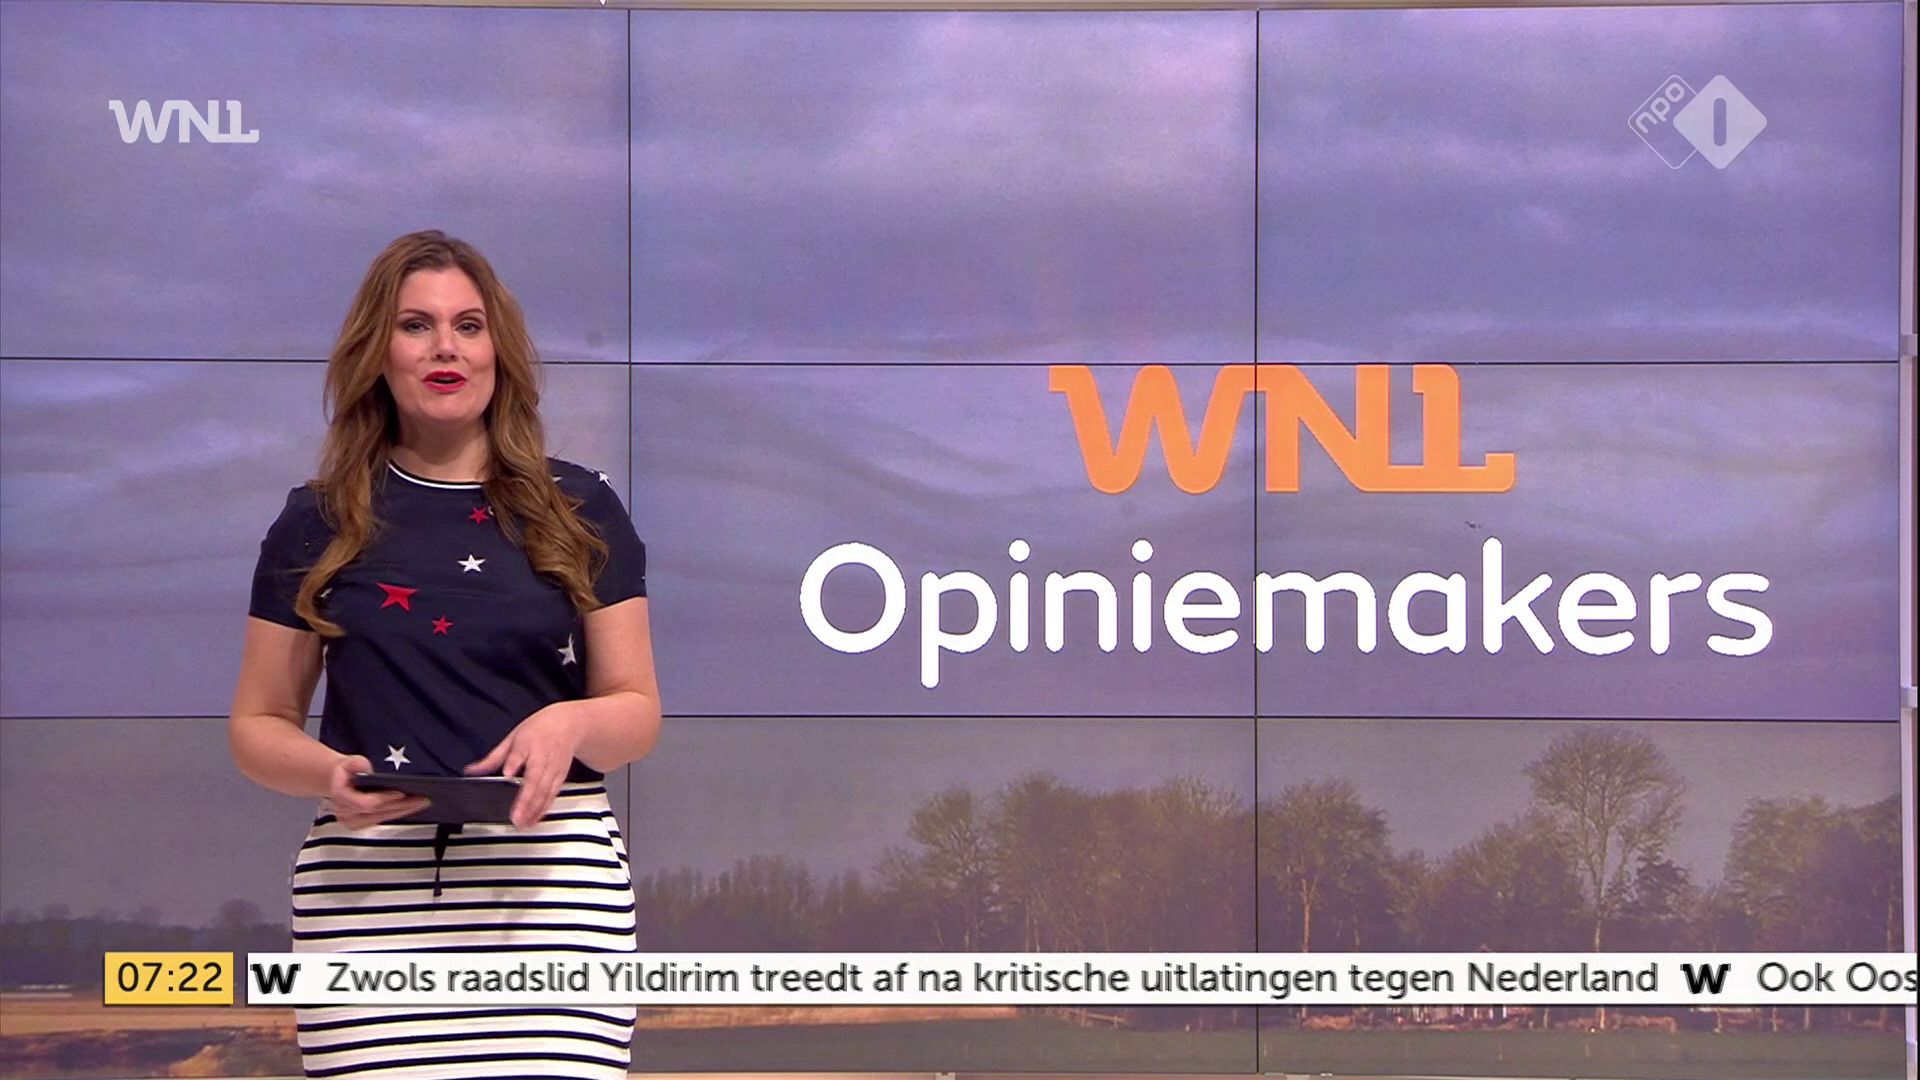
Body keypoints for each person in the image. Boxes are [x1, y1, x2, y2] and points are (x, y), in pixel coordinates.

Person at [228, 229, 661, 1078]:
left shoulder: (581, 508)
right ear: (377, 352)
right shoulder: (315, 521)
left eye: (468, 325)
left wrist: (569, 726)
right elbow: (258, 724)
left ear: (499, 349)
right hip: (367, 898)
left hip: (552, 895)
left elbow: (636, 713)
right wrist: (328, 776)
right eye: (416, 326)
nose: (445, 348)